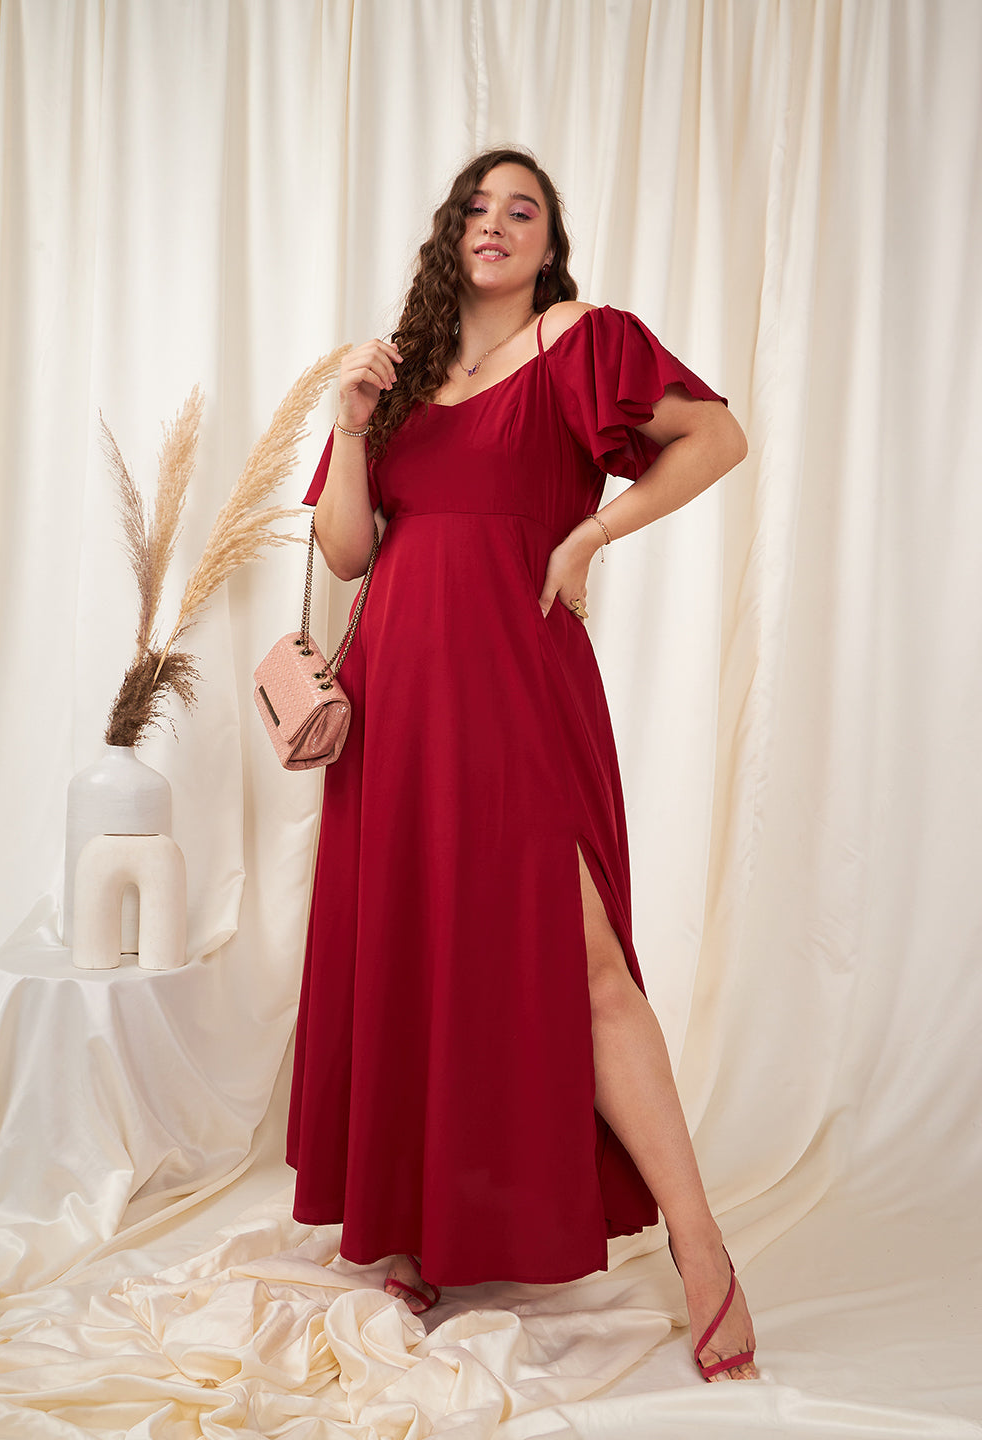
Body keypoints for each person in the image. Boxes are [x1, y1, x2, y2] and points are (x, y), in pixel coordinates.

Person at [288, 147, 758, 1382]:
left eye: (523, 209)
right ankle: (414, 1230)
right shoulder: (398, 370)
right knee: (413, 951)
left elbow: (715, 436)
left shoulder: (584, 340)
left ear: (550, 243)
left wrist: (591, 532)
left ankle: (702, 1248)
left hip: (517, 686)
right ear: (451, 234)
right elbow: (346, 554)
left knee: (585, 961)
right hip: (398, 704)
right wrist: (348, 431)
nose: (495, 223)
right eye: (477, 208)